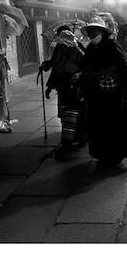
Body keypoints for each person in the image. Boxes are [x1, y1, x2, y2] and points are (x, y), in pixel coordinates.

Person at [78, 16, 127, 167]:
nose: (92, 35)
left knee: (114, 124)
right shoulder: (91, 48)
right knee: (98, 125)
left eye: (95, 32)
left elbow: (123, 67)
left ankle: (115, 154)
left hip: (114, 94)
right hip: (96, 93)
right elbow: (86, 66)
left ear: (102, 32)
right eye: (90, 33)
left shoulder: (112, 46)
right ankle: (101, 153)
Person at [39, 28, 87, 157]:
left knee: (73, 115)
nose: (62, 47)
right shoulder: (58, 51)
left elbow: (87, 68)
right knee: (65, 113)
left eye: (64, 45)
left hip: (75, 88)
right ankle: (68, 139)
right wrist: (45, 66)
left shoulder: (78, 52)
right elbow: (54, 67)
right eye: (60, 44)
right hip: (62, 87)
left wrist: (78, 74)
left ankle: (72, 140)